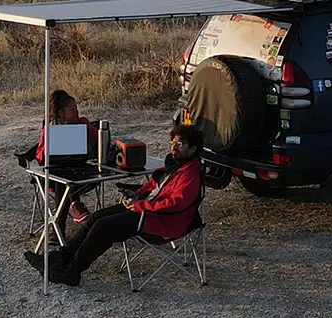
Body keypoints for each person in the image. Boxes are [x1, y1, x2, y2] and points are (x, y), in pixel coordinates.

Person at [26, 123, 205, 287]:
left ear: (193, 149)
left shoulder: (190, 174)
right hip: (147, 209)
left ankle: (73, 270)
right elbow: (153, 187)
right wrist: (136, 194)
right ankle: (60, 258)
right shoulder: (174, 166)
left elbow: (175, 203)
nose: (173, 148)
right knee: (97, 216)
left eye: (179, 145)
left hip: (162, 221)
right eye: (172, 143)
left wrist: (141, 206)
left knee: (105, 226)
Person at [20, 89, 93, 222]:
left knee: (66, 175)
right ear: (61, 113)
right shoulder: (50, 129)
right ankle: (75, 205)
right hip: (51, 176)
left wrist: (85, 127)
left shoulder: (82, 124)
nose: (77, 112)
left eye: (76, 109)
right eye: (72, 110)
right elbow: (41, 157)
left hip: (79, 173)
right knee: (62, 176)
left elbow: (94, 145)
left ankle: (58, 230)